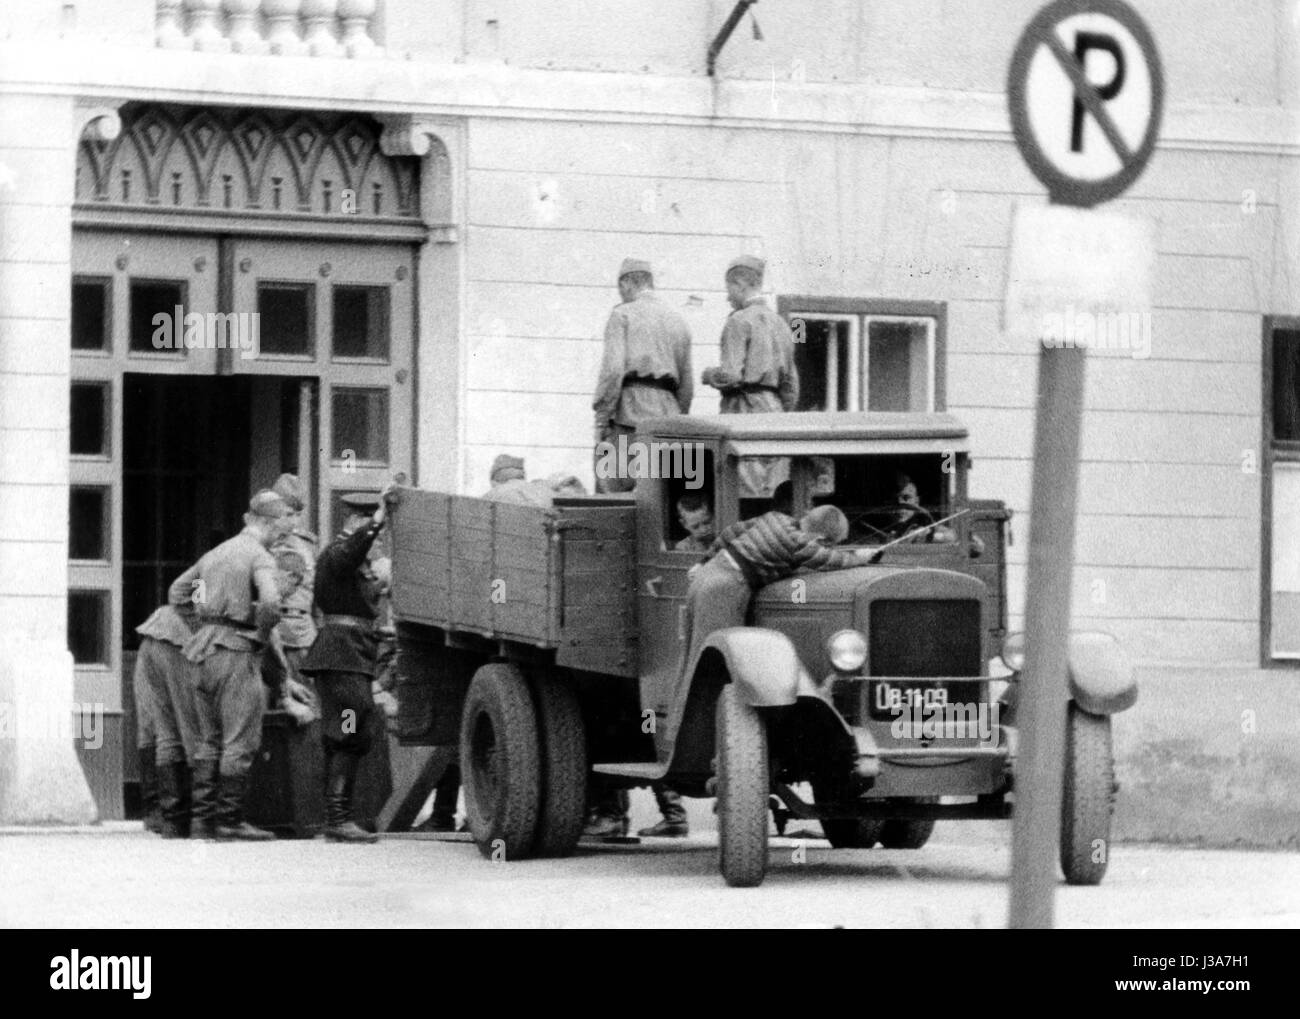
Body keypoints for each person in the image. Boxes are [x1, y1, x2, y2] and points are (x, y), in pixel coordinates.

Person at [169, 490, 291, 840]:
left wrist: (204, 624)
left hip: (201, 653)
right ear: (266, 522)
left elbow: (178, 593)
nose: (283, 532)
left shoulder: (215, 553)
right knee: (240, 738)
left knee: (209, 739)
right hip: (236, 652)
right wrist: (260, 635)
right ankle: (228, 820)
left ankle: (201, 822)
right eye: (281, 524)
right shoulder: (259, 556)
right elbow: (270, 602)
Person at [299, 491, 392, 844]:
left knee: (351, 730)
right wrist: (375, 522)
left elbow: (357, 607)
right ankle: (337, 819)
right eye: (370, 528)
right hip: (340, 656)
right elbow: (349, 555)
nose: (377, 539)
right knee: (351, 726)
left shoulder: (355, 561)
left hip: (352, 655)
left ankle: (337, 818)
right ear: (355, 522)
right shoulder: (339, 552)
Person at [681, 506, 872, 675]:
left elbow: (729, 533)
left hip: (708, 574)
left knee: (696, 656)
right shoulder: (799, 544)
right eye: (829, 544)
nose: (827, 548)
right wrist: (861, 557)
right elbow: (833, 560)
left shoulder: (775, 517)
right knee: (720, 662)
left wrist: (703, 561)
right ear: (820, 538)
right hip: (723, 589)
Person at [591, 257, 694, 494]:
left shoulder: (622, 315)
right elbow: (687, 385)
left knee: (617, 492)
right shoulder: (679, 320)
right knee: (666, 494)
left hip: (629, 417)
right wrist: (676, 418)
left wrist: (602, 417)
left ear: (627, 283)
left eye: (621, 289)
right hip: (668, 422)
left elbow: (613, 371)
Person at [701, 255, 799, 497]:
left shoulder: (738, 320)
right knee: (773, 485)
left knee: (743, 486)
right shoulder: (783, 325)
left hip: (744, 410)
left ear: (741, 285)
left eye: (730, 289)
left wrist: (708, 375)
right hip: (775, 413)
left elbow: (731, 375)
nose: (728, 296)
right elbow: (791, 386)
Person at [131, 601, 201, 837]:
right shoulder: (206, 573)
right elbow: (199, 602)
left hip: (156, 634)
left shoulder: (201, 571)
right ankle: (185, 815)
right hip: (176, 639)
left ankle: (161, 814)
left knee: (154, 725)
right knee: (184, 725)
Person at [268, 473, 319, 702]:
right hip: (272, 631)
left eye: (298, 514)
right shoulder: (262, 542)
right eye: (289, 514)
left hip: (302, 635)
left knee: (306, 697)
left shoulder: (307, 545)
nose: (295, 521)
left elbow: (317, 594)